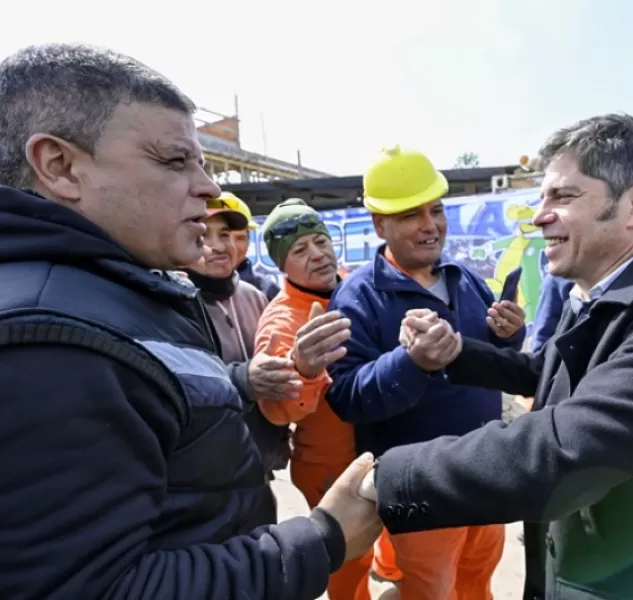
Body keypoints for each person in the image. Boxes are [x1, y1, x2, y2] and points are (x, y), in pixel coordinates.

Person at [0, 43, 380, 599]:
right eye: (176, 160)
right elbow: (89, 587)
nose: (208, 187)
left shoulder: (122, 296)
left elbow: (161, 405)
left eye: (203, 162)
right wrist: (321, 538)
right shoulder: (48, 340)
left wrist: (240, 380)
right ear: (60, 167)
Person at [356, 115, 633, 600]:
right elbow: (548, 372)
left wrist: (391, 477)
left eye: (562, 197)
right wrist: (457, 354)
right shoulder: (592, 291)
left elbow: (568, 448)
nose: (540, 215)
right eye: (542, 198)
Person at [327, 146, 527, 600]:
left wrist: (507, 337)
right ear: (381, 225)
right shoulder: (358, 297)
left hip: (486, 471)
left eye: (435, 210)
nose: (430, 224)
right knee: (431, 591)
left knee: (477, 581)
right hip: (423, 487)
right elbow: (346, 396)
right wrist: (409, 362)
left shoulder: (465, 278)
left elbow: (490, 361)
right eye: (410, 215)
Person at [252, 198, 402, 600]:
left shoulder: (356, 287)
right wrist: (303, 367)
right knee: (348, 564)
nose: (317, 254)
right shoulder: (281, 322)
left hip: (382, 447)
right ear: (282, 265)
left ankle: (387, 568)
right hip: (331, 464)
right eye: (300, 251)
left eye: (320, 241)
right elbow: (276, 411)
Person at [183, 198, 291, 495]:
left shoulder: (254, 296)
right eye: (204, 235)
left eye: (226, 235)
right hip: (202, 479)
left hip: (258, 467)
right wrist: (245, 380)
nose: (220, 246)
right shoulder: (172, 303)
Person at [215, 191, 282, 300]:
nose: (232, 246)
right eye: (224, 236)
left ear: (249, 241)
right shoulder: (185, 290)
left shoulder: (268, 291)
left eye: (240, 238)